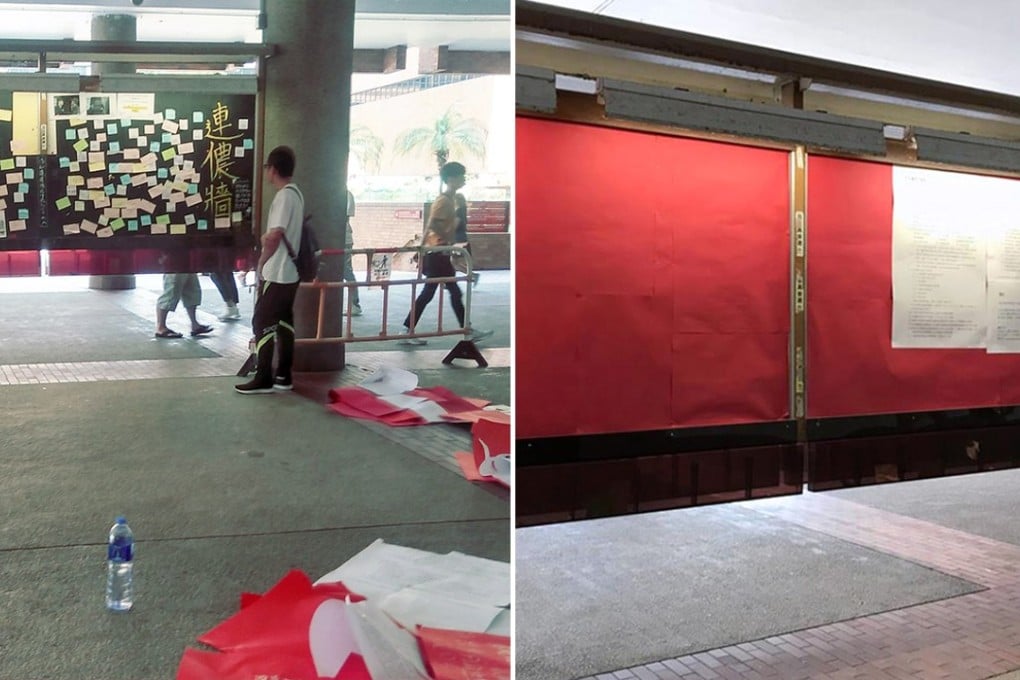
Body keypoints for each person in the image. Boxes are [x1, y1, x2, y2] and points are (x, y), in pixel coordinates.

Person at [235, 145, 303, 395]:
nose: (266, 172)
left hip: (278, 271)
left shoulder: (284, 196)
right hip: (291, 273)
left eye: (266, 167)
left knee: (262, 321)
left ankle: (263, 376)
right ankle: (284, 375)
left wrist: (261, 261)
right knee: (284, 323)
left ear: (273, 169)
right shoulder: (296, 194)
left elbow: (275, 235)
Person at [401, 161, 492, 345]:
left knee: (445, 292)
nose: (463, 180)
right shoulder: (443, 201)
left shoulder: (452, 199)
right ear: (451, 179)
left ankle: (465, 330)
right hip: (437, 252)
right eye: (461, 176)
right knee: (438, 292)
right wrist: (445, 242)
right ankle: (465, 330)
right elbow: (433, 224)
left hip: (439, 252)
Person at [154, 273, 213, 338]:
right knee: (172, 292)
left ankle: (195, 324)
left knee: (192, 290)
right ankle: (161, 327)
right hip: (174, 265)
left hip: (187, 265)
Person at [452, 192, 480, 288]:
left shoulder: (459, 211)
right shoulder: (463, 210)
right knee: (453, 261)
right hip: (461, 237)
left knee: (453, 262)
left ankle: (450, 281)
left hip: (458, 239)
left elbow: (455, 225)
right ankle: (472, 275)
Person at [342, 188, 362, 316]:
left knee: (346, 271)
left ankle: (354, 304)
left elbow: (345, 218)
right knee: (346, 271)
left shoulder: (346, 195)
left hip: (344, 239)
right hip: (341, 238)